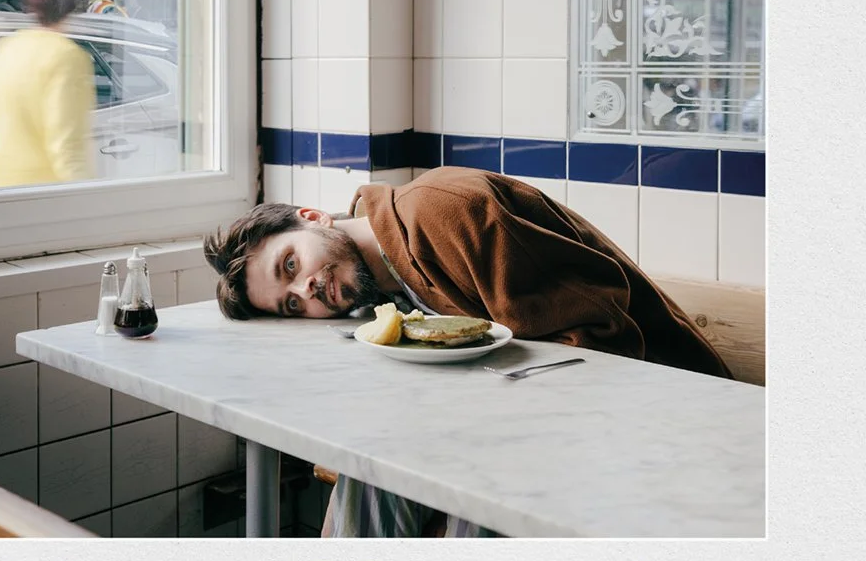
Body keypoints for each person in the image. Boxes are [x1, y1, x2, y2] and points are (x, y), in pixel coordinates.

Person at [204, 167, 731, 536]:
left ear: (312, 216)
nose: (307, 292)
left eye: (290, 266)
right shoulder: (380, 286)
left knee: (471, 491)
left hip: (667, 406)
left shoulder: (447, 212)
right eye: (292, 305)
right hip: (535, 424)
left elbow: (605, 335)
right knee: (376, 466)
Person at [0, 0, 94, 189]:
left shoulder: (1, 50)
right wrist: (91, 199)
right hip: (38, 194)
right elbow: (66, 144)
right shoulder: (65, 55)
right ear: (72, 8)